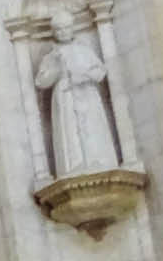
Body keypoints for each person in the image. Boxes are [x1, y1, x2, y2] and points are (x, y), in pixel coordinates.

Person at [34, 10, 118, 175]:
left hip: (87, 94)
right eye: (58, 29)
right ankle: (73, 166)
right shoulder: (51, 57)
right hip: (65, 97)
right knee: (69, 133)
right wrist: (56, 68)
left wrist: (84, 76)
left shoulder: (84, 50)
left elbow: (100, 72)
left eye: (66, 28)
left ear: (72, 28)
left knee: (91, 127)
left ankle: (98, 160)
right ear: (54, 32)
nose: (62, 32)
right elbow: (41, 82)